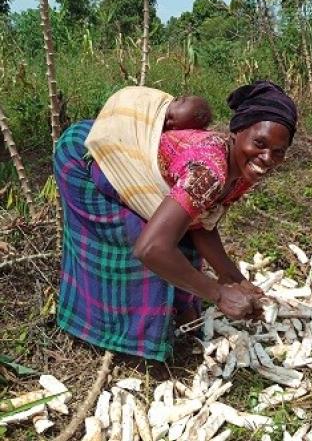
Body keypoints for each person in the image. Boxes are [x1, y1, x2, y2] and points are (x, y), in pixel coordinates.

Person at [53, 80, 297, 361]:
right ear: (236, 132)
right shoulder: (210, 171)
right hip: (84, 155)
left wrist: (232, 277)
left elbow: (202, 224)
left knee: (180, 236)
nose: (266, 159)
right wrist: (217, 294)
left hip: (129, 161)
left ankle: (179, 315)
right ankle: (112, 333)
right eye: (260, 143)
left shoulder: (242, 170)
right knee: (138, 240)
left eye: (278, 152)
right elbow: (150, 248)